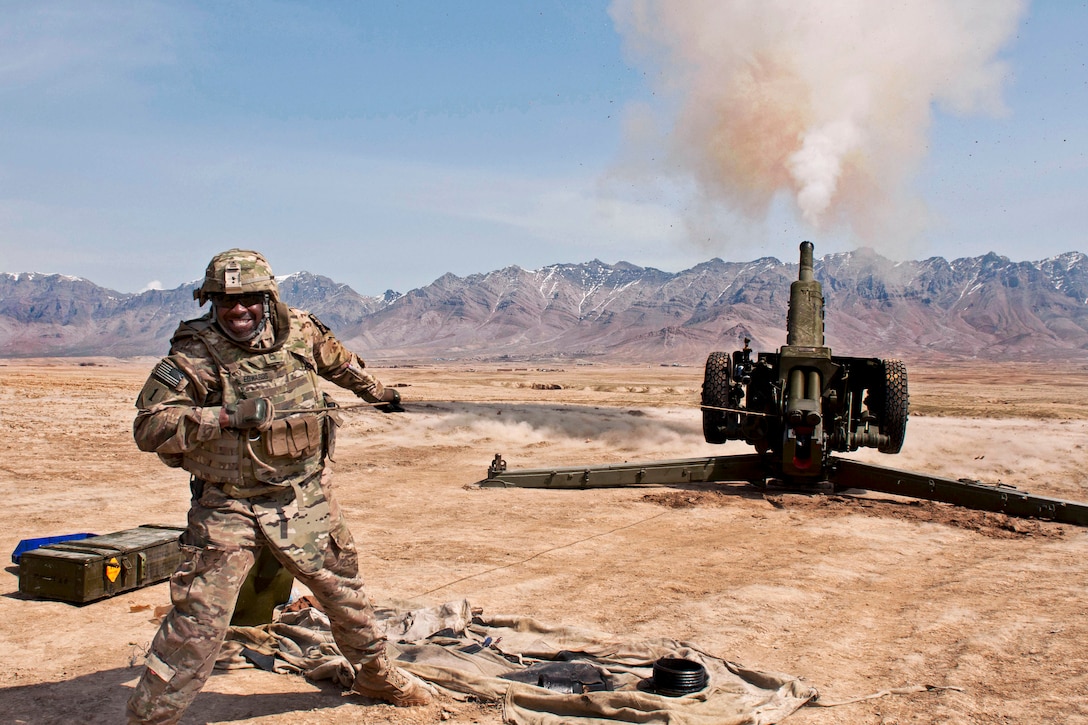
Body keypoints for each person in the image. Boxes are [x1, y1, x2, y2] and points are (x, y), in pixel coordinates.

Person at [126, 249, 430, 723]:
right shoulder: (194, 354)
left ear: (267, 298)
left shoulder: (301, 332)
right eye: (226, 301)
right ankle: (151, 716)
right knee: (199, 621)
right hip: (229, 506)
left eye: (249, 298)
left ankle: (375, 674)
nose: (238, 310)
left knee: (343, 593)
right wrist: (223, 416)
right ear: (211, 303)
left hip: (303, 496)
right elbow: (149, 428)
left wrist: (381, 394)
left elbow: (342, 365)